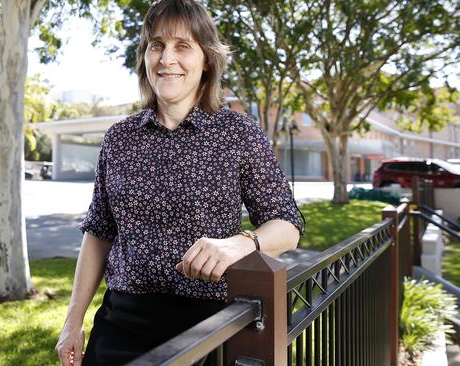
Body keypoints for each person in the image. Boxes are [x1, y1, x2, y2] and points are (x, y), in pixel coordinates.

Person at [56, 1, 304, 364]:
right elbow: (99, 231)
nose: (166, 58)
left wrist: (244, 243)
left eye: (182, 46)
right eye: (157, 45)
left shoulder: (238, 133)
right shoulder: (119, 138)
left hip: (210, 324)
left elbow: (288, 224)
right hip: (121, 323)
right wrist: (72, 321)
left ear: (206, 60)